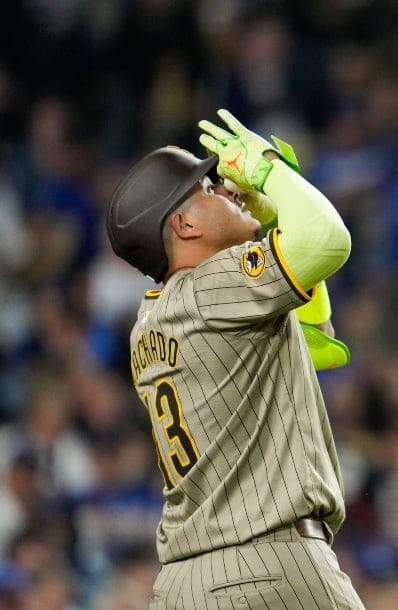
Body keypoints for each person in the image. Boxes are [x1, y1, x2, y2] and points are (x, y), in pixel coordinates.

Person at [106, 109, 364, 608]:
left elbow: (313, 335)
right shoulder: (214, 286)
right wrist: (271, 173)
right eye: (204, 189)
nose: (225, 187)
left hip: (185, 586)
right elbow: (328, 240)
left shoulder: (153, 319)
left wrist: (269, 217)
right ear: (183, 224)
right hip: (267, 567)